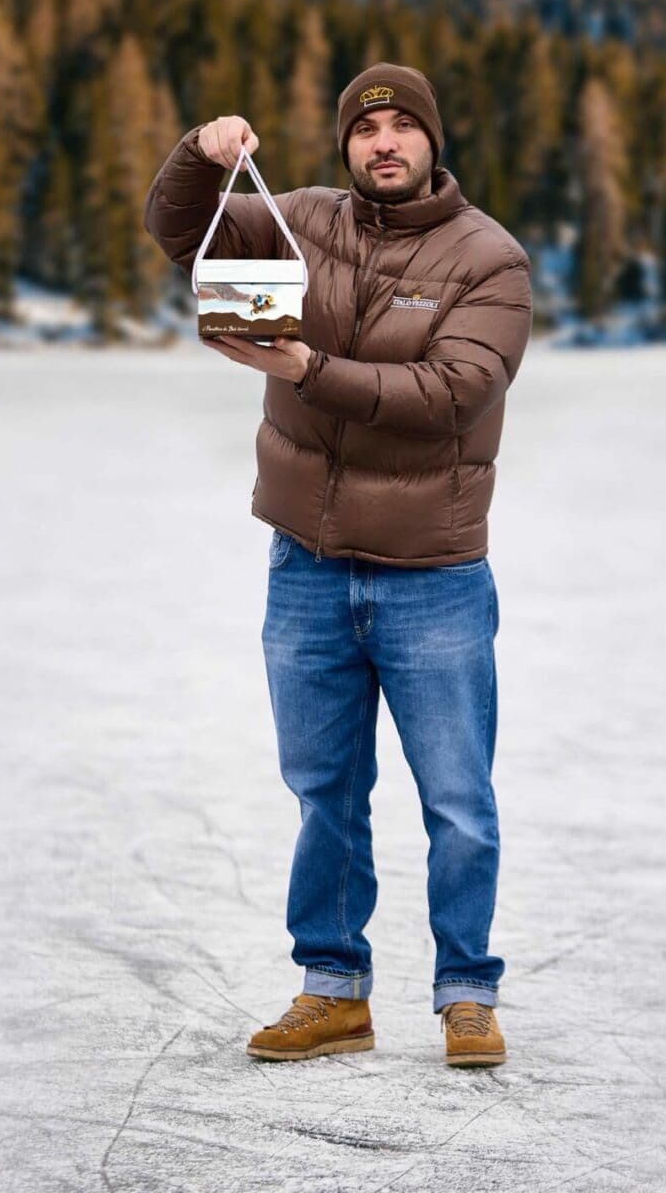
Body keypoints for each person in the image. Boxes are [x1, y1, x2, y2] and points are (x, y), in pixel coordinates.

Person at [142, 62, 532, 1068]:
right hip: (308, 568)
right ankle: (333, 989)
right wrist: (203, 155)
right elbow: (181, 234)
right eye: (367, 130)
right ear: (346, 146)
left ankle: (466, 994)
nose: (384, 143)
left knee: (456, 797)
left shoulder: (491, 261)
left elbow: (453, 390)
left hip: (432, 578)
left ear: (432, 142)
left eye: (404, 127)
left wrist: (308, 370)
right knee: (325, 790)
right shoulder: (297, 217)